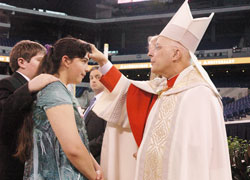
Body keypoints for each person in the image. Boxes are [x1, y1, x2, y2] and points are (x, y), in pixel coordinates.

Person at [89, 1, 232, 179]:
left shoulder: (199, 95)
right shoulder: (164, 90)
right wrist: (103, 63)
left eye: (158, 47)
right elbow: (129, 93)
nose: (150, 53)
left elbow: (195, 160)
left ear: (175, 54)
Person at [15, 37, 103, 180]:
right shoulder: (55, 91)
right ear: (66, 60)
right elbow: (73, 149)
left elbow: (78, 142)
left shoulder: (59, 90)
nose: (86, 69)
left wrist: (96, 167)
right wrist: (94, 176)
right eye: (84, 61)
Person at [0, 40, 58, 180]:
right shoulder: (6, 84)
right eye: (39, 60)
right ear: (22, 62)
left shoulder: (42, 88)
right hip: (13, 164)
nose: (44, 65)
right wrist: (28, 88)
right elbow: (5, 116)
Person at [84, 67, 106, 163]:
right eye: (91, 78)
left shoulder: (108, 102)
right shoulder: (92, 102)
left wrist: (86, 149)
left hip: (98, 156)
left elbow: (106, 134)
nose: (93, 80)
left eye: (97, 77)